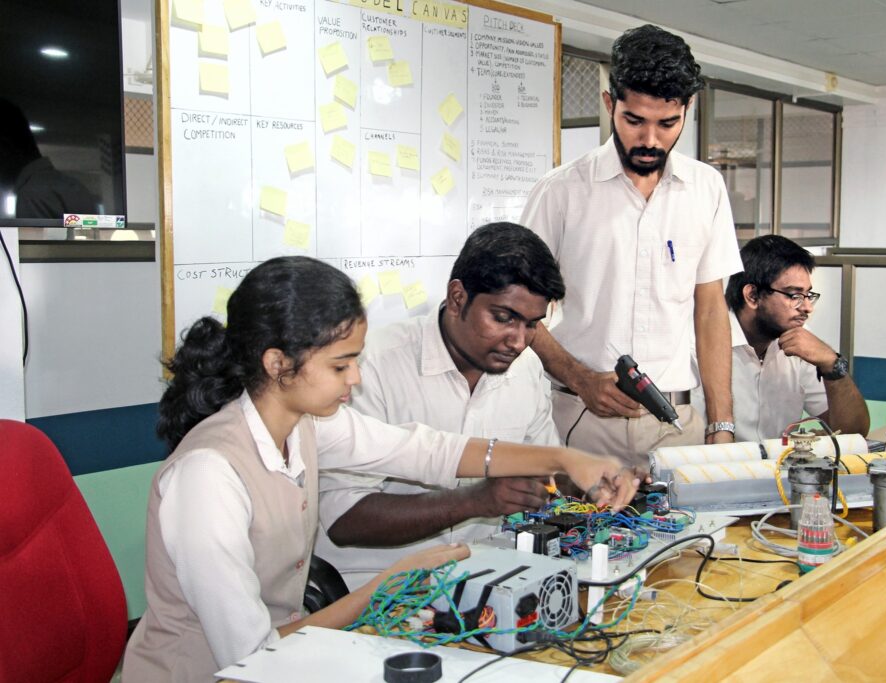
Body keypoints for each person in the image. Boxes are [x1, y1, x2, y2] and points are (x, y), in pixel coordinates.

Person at [122, 256, 640, 682]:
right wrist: (389, 584)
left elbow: (429, 451)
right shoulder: (209, 476)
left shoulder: (305, 425)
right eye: (341, 365)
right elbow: (251, 653)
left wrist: (567, 458)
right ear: (278, 364)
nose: (357, 379)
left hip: (290, 658)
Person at [520, 24, 742, 464]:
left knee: (694, 535)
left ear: (688, 109)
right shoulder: (560, 191)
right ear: (609, 104)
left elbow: (711, 308)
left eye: (668, 123)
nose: (650, 140)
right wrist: (580, 378)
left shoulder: (707, 188)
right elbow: (517, 312)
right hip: (580, 419)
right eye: (634, 120)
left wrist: (722, 423)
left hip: (678, 423)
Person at [315, 222, 564, 589]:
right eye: (503, 318)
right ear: (458, 297)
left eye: (532, 326)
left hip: (484, 580)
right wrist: (475, 501)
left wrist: (594, 481)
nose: (518, 341)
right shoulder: (372, 367)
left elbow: (548, 469)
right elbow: (343, 518)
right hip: (374, 589)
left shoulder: (524, 370)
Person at [693, 235, 870, 442]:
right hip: (715, 468)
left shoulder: (800, 344)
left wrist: (832, 364)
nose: (807, 307)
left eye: (808, 295)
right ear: (752, 296)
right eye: (794, 295)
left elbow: (853, 431)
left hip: (776, 471)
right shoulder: (695, 345)